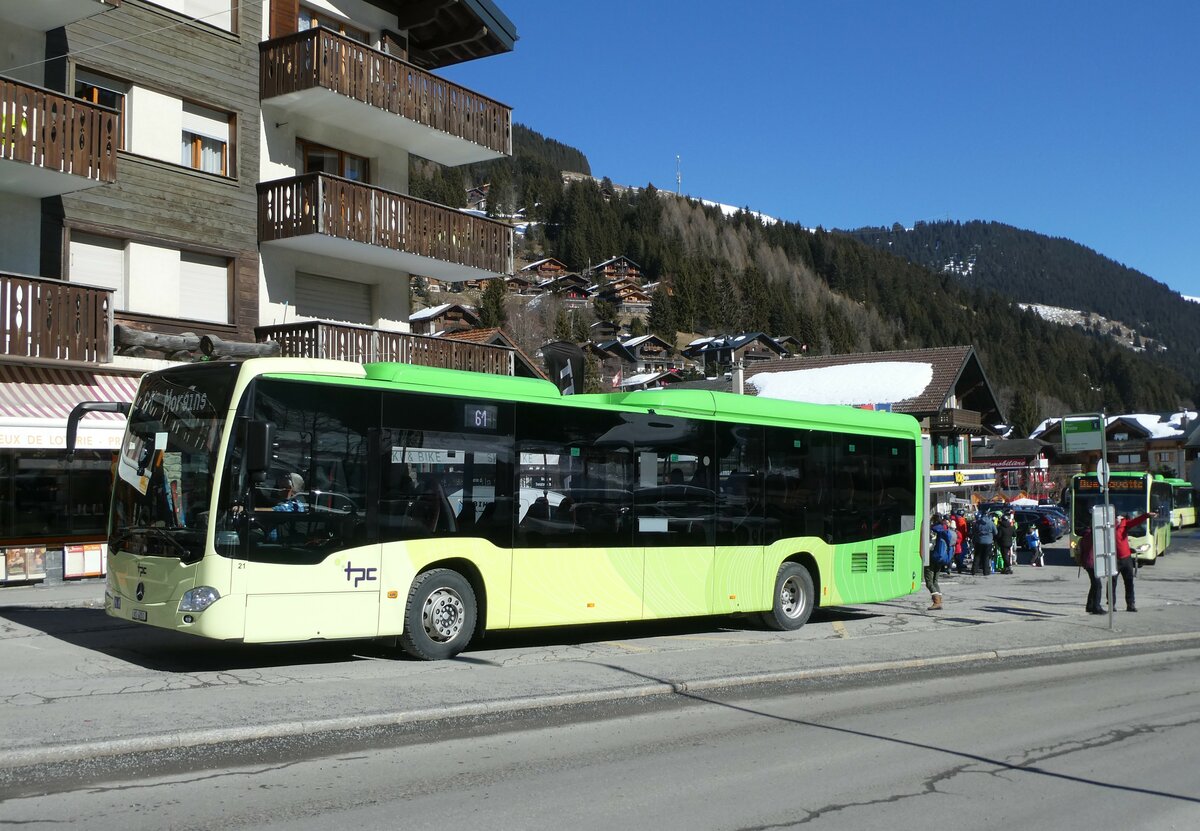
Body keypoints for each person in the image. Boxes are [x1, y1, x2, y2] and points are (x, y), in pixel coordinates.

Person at [1112, 511, 1154, 611]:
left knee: (1129, 582)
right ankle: (1111, 604)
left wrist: (1146, 516)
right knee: (1112, 583)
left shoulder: (1124, 523)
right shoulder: (1108, 525)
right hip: (1114, 559)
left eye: (1119, 517)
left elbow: (1135, 521)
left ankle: (1130, 604)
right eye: (1117, 517)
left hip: (1126, 558)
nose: (1118, 518)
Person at [926, 513, 953, 610]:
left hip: (932, 557)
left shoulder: (933, 530)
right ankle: (939, 600)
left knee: (929, 582)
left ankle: (936, 601)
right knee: (935, 581)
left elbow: (930, 544)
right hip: (941, 557)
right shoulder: (943, 529)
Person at [1077, 526, 1104, 614]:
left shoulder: (1085, 536)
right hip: (1091, 563)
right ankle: (1096, 607)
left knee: (1094, 584)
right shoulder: (1090, 536)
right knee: (1097, 585)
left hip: (1088, 562)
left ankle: (1090, 605)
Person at [972, 509, 995, 575]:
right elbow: (996, 532)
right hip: (988, 542)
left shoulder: (978, 522)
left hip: (979, 541)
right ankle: (986, 571)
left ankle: (974, 570)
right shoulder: (991, 523)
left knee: (977, 556)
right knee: (986, 556)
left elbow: (974, 530)